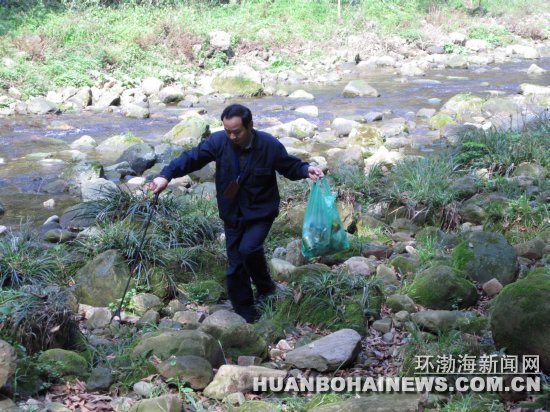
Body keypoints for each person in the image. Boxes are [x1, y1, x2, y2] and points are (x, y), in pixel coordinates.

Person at [146, 104, 323, 322]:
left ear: (250, 126)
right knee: (235, 267)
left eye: (236, 132)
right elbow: (191, 158)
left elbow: (289, 167)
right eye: (227, 130)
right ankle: (245, 314)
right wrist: (165, 176)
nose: (231, 136)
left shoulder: (268, 145)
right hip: (231, 214)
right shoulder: (218, 141)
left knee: (248, 249)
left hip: (260, 213)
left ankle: (265, 287)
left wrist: (306, 170)